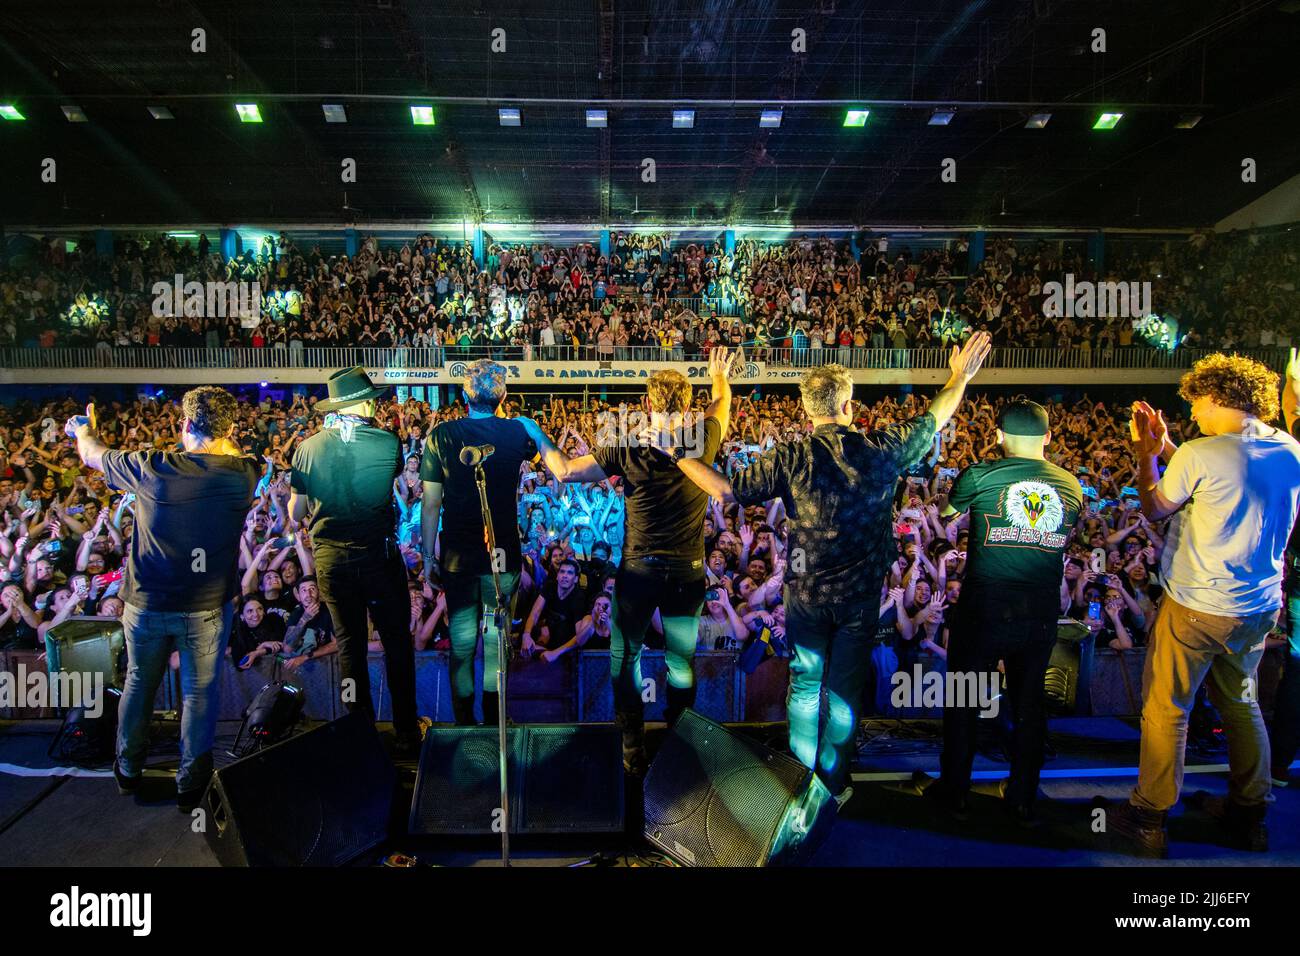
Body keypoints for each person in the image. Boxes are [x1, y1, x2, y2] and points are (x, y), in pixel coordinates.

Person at [671, 333, 992, 805]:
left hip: (806, 597)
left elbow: (722, 490)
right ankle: (833, 783)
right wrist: (959, 376)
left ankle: (800, 778)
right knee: (842, 694)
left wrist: (680, 457)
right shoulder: (880, 449)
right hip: (860, 599)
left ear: (807, 410)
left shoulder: (792, 457)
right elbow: (934, 417)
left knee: (803, 685)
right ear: (848, 404)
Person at [1104, 353, 1300, 857]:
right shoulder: (1289, 448)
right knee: (1242, 703)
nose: (1195, 415)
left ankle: (1148, 817)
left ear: (1217, 399)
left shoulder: (1202, 451)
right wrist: (1171, 445)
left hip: (1196, 605)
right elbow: (1218, 478)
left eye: (1197, 405)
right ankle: (1250, 814)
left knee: (1167, 709)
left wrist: (1147, 453)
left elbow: (1153, 507)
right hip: (1257, 607)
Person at [516, 346, 732, 775]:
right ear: (689, 404)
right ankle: (677, 737)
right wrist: (719, 375)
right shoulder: (702, 441)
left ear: (648, 404)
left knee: (625, 659)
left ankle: (632, 745)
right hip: (687, 574)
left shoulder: (626, 448)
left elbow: (565, 471)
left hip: (637, 572)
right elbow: (722, 403)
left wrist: (536, 432)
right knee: (679, 661)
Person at [64, 389, 260, 811]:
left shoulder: (152, 467)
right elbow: (225, 448)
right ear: (229, 430)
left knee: (139, 681)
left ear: (185, 426)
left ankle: (128, 768)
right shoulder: (244, 473)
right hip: (207, 606)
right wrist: (219, 435)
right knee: (199, 694)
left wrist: (85, 430)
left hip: (148, 603)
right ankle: (191, 783)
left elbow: (91, 454)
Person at [928, 400, 1084, 825]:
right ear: (1049, 438)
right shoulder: (1070, 484)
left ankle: (955, 792)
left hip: (985, 605)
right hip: (1039, 609)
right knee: (1030, 704)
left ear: (997, 436)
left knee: (963, 699)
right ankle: (1021, 798)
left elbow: (945, 514)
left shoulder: (981, 474)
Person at [288, 367, 420, 755]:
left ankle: (358, 730)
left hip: (332, 562)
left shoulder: (307, 448)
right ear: (364, 403)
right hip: (378, 558)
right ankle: (408, 730)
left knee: (350, 647)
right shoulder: (388, 442)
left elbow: (296, 512)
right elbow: (388, 481)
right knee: (397, 643)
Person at [420, 359, 536, 726]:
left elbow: (431, 503)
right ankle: (494, 722)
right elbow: (540, 459)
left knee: (463, 644)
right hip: (502, 557)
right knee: (494, 644)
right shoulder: (518, 432)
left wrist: (427, 558)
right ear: (503, 395)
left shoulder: (441, 435)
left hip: (458, 558)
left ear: (463, 395)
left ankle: (463, 726)